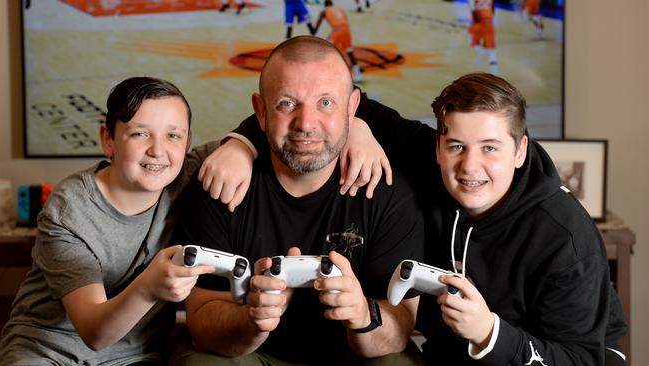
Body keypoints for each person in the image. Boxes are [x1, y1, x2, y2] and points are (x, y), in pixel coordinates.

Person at [219, 73, 628, 365]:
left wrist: (490, 333)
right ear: (437, 146)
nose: (470, 166)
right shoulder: (428, 160)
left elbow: (584, 357)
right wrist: (241, 144)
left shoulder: (565, 238)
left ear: (520, 151)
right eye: (456, 146)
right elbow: (310, 105)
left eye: (490, 148)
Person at [170, 35, 425, 365]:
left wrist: (363, 316)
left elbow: (401, 325)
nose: (306, 123)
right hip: (255, 354)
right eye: (286, 104)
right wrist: (252, 319)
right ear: (260, 112)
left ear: (352, 109)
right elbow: (202, 321)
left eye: (326, 103)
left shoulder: (387, 192)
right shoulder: (220, 184)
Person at [0, 76, 234, 365]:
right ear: (108, 140)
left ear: (187, 141)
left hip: (135, 356)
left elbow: (272, 128)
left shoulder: (187, 173)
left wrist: (241, 147)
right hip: (47, 350)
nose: (158, 151)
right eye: (139, 134)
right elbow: (95, 333)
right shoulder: (69, 210)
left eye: (173, 135)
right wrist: (149, 287)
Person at [313, 0, 362, 83]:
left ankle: (324, 73)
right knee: (349, 51)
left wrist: (313, 32)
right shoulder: (339, 8)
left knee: (326, 49)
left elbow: (318, 24)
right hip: (346, 30)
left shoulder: (324, 11)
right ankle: (358, 74)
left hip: (337, 31)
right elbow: (345, 20)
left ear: (325, 5)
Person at [468, 0, 498, 74]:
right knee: (491, 51)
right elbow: (493, 9)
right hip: (488, 24)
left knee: (472, 41)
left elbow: (473, 11)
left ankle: (480, 52)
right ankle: (495, 74)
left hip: (477, 24)